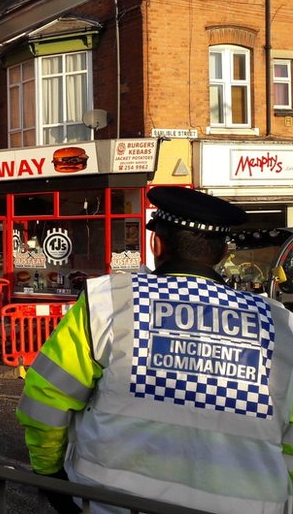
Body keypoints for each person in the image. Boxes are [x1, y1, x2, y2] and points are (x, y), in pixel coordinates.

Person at [16, 186, 293, 514]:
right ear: (222, 254)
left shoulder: (108, 301)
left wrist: (51, 475)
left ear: (155, 244)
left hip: (114, 504)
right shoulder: (279, 323)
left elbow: (45, 399)